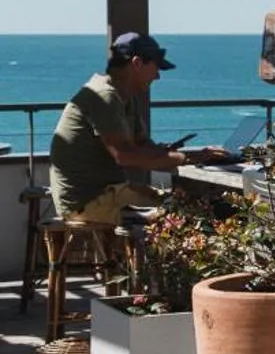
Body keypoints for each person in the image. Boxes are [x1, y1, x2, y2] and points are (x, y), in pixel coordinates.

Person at [47, 33, 232, 223]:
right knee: (193, 211)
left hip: (106, 194)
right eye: (156, 68)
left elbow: (142, 144)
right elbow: (125, 155)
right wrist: (187, 158)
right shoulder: (104, 96)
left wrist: (181, 154)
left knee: (190, 202)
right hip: (88, 203)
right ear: (137, 63)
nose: (157, 76)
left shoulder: (124, 96)